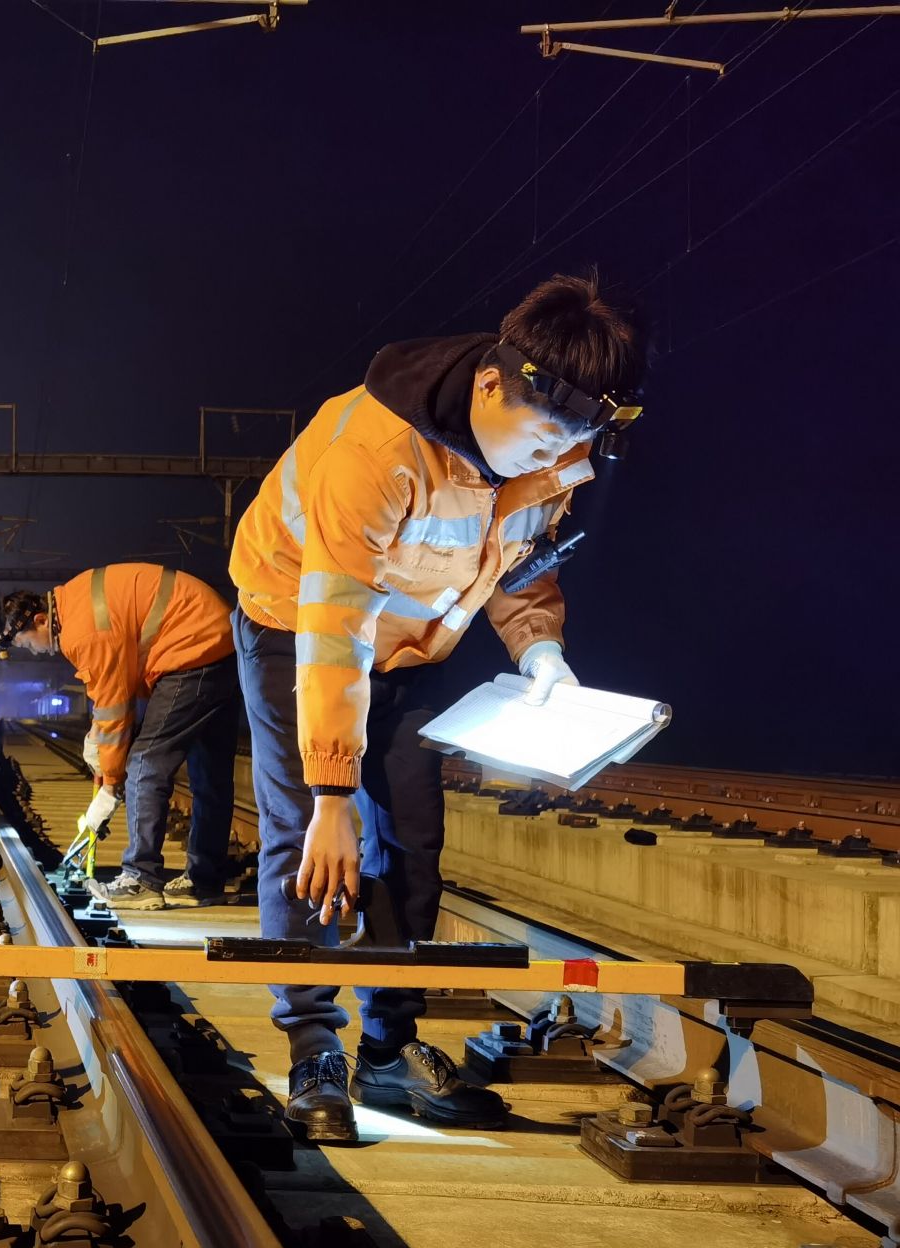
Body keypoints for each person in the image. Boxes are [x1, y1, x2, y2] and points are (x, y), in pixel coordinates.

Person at [228, 272, 648, 1142]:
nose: (547, 463)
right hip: (294, 623)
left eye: (563, 450)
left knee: (413, 837)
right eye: (536, 443)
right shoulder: (373, 452)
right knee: (307, 831)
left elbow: (518, 561)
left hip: (413, 642)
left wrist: (542, 652)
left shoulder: (559, 447)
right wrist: (334, 792)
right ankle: (313, 1044)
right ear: (493, 383)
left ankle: (388, 1047)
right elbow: (335, 628)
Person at [0, 564, 240, 910]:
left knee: (144, 763)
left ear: (38, 620)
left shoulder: (80, 631)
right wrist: (96, 735)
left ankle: (142, 878)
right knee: (210, 775)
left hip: (189, 652)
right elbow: (110, 689)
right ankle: (205, 880)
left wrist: (110, 784)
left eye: (29, 645)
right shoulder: (75, 598)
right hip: (222, 644)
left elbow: (116, 707)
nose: (38, 652)